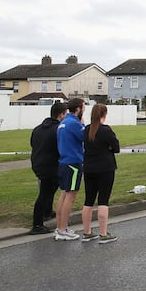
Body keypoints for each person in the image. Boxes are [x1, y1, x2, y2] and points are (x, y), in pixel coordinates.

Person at [81, 104, 120, 244]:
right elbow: (116, 147)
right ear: (104, 114)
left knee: (88, 200)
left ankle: (87, 232)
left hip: (89, 168)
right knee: (103, 200)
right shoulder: (106, 130)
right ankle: (103, 233)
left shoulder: (86, 130)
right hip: (105, 168)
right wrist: (108, 147)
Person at [28, 102, 67, 235]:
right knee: (45, 193)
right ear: (61, 115)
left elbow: (33, 144)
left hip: (38, 163)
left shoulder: (38, 128)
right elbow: (61, 147)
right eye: (65, 114)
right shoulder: (57, 129)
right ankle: (37, 224)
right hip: (50, 165)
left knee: (49, 189)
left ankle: (47, 211)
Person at [55, 97, 86, 241]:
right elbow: (85, 137)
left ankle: (60, 227)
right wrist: (83, 125)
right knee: (70, 196)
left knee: (63, 194)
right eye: (83, 107)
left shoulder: (63, 122)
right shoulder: (74, 123)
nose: (84, 110)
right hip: (73, 163)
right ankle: (63, 229)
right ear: (78, 109)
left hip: (63, 162)